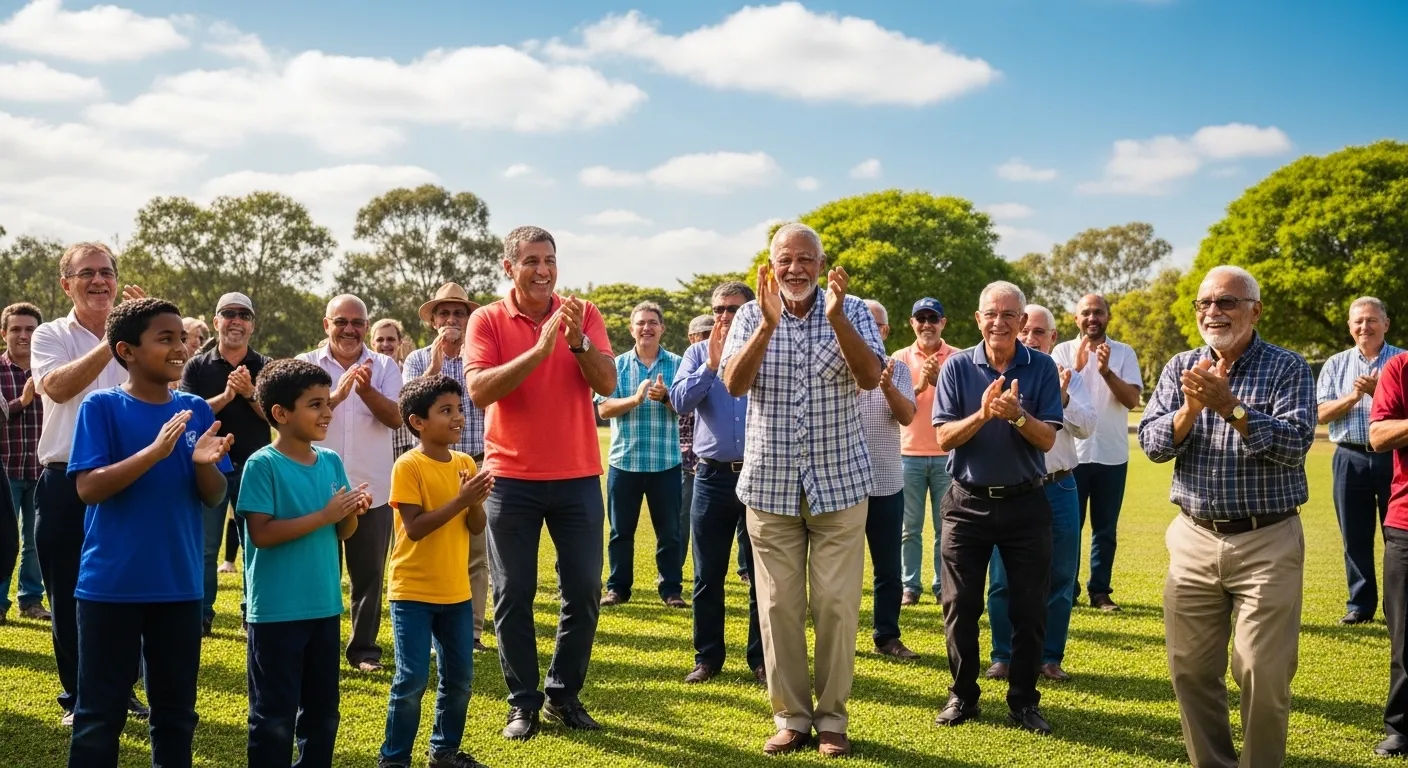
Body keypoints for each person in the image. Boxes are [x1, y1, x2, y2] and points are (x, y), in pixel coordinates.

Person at [1138, 265, 1314, 768]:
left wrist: (1231, 408)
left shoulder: (1287, 367)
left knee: (1261, 670)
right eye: (1205, 303)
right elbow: (1152, 444)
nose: (1213, 312)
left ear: (1255, 311)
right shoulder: (1181, 366)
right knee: (1190, 671)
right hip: (1193, 538)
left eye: (1226, 302)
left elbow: (1294, 444)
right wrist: (1190, 410)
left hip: (1267, 540)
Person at [720, 223, 885, 758]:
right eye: (785, 260)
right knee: (778, 608)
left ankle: (832, 718)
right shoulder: (750, 314)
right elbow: (733, 384)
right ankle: (791, 717)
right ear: (770, 266)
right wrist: (767, 326)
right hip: (770, 486)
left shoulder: (852, 309)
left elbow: (870, 377)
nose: (795, 269)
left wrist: (837, 319)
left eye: (805, 259)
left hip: (840, 484)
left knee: (836, 605)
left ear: (822, 264)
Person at [66, 297, 234, 767]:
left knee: (176, 715)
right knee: (99, 716)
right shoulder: (102, 406)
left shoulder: (196, 410)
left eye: (181, 337)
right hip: (110, 587)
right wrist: (154, 453)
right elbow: (88, 488)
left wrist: (203, 465)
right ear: (127, 351)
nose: (180, 347)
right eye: (165, 339)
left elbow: (214, 495)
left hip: (179, 588)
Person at [463, 225, 615, 740]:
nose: (543, 270)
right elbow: (480, 390)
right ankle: (522, 702)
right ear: (509, 267)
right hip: (510, 480)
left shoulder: (583, 313)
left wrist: (576, 341)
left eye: (549, 259)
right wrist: (540, 349)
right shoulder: (487, 319)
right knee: (513, 592)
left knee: (585, 589)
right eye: (531, 261)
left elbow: (607, 382)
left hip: (577, 476)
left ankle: (563, 695)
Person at [931, 281, 1062, 736]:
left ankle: (1023, 700)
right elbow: (943, 437)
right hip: (966, 503)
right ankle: (963, 695)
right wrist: (985, 414)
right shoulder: (956, 367)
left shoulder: (1042, 367)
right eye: (991, 313)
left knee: (1029, 609)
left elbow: (1047, 439)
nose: (999, 322)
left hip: (1026, 503)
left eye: (1009, 315)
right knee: (959, 604)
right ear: (978, 318)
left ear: (1023, 322)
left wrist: (1017, 416)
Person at [30, 242, 148, 724]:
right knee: (69, 593)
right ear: (66, 285)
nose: (99, 281)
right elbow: (58, 387)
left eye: (106, 272)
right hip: (66, 480)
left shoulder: (139, 334)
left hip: (129, 479)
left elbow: (168, 384)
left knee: (129, 591)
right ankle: (80, 698)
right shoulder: (49, 335)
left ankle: (123, 692)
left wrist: (146, 333)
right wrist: (116, 336)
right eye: (87, 273)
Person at [239, 358, 370, 768]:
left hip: (324, 607)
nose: (327, 412)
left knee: (322, 713)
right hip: (277, 612)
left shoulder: (330, 461)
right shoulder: (262, 464)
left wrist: (351, 511)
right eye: (315, 404)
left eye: (327, 403)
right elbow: (262, 534)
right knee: (273, 717)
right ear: (281, 413)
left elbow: (342, 531)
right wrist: (326, 515)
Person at [379, 375, 492, 768]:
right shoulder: (408, 466)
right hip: (412, 591)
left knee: (459, 679)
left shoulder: (464, 463)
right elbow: (414, 528)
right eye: (446, 410)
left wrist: (474, 501)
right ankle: (394, 759)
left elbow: (476, 526)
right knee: (411, 680)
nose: (458, 417)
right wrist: (462, 499)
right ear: (418, 422)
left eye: (459, 409)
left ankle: (444, 752)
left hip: (456, 593)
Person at [986, 304, 1093, 683]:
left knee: (1060, 575)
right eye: (1026, 330)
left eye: (1039, 332)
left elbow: (1088, 427)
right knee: (1003, 577)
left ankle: (1049, 656)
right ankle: (1003, 655)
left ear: (1053, 337)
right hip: (1013, 488)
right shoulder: (1001, 373)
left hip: (1058, 485)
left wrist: (1062, 399)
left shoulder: (1068, 377)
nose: (1031, 338)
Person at [297, 295, 404, 672]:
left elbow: (396, 418)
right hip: (315, 488)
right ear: (326, 324)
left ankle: (364, 651)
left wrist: (367, 390)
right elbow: (296, 418)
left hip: (370, 488)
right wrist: (337, 395)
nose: (349, 329)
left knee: (369, 576)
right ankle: (316, 648)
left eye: (357, 322)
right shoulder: (307, 364)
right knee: (317, 574)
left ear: (366, 327)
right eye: (341, 321)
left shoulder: (385, 366)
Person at [670, 282, 763, 685]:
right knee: (708, 574)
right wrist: (709, 365)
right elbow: (679, 402)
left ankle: (761, 659)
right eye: (718, 309)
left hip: (760, 475)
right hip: (710, 476)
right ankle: (707, 658)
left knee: (763, 576)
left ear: (750, 311)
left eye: (733, 309)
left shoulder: (766, 347)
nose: (724, 316)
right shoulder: (696, 353)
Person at [403, 284, 492, 652]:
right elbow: (407, 406)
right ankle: (430, 632)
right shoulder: (417, 359)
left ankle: (471, 633)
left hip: (476, 462)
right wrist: (436, 367)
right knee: (431, 546)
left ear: (469, 320)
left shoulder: (482, 357)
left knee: (476, 552)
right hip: (430, 464)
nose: (451, 320)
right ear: (433, 321)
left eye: (458, 313)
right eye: (444, 313)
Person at [179, 292, 269, 635]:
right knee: (205, 547)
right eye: (228, 314)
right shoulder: (196, 366)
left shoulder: (266, 365)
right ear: (216, 321)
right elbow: (187, 414)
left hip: (255, 467)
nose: (236, 321)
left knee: (255, 545)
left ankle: (252, 614)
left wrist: (249, 393)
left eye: (244, 315)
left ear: (252, 325)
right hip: (209, 467)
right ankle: (202, 615)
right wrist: (228, 396)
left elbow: (279, 417)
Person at [1050, 293, 1141, 612]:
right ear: (1076, 319)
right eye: (1086, 313)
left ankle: (1100, 592)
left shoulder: (1124, 353)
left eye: (1098, 312)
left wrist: (1106, 372)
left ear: (1108, 317)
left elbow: (1132, 400)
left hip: (1112, 453)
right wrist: (1076, 367)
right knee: (1069, 529)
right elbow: (1055, 395)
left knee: (1105, 529)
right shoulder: (1061, 351)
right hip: (1072, 455)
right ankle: (1068, 589)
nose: (1092, 318)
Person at [1317, 296, 1402, 624]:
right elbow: (1320, 413)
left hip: (1396, 457)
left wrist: (1380, 391)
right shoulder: (1335, 364)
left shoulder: (1402, 361)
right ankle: (1360, 605)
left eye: (1371, 320)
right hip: (1349, 457)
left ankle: (1398, 606)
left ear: (1386, 324)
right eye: (1358, 321)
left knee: (1398, 536)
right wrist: (1353, 396)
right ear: (1350, 327)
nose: (1364, 326)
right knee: (1354, 535)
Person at [598, 301, 685, 608]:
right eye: (641, 323)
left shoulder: (678, 364)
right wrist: (634, 399)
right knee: (620, 532)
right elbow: (604, 408)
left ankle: (671, 590)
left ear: (662, 328)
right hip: (625, 463)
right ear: (631, 329)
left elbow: (687, 407)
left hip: (666, 463)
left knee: (670, 533)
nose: (646, 327)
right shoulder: (616, 365)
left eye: (652, 322)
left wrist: (666, 398)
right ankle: (618, 589)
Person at [857, 299, 919, 659]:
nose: (868, 330)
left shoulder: (899, 370)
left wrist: (886, 386)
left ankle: (887, 636)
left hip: (886, 482)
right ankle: (839, 636)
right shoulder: (837, 366)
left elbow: (907, 416)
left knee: (888, 569)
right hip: (844, 484)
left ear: (885, 331)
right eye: (860, 323)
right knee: (839, 570)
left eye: (875, 325)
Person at [892, 297, 958, 605]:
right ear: (912, 323)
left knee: (946, 528)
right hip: (908, 456)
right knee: (910, 528)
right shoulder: (899, 358)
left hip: (947, 455)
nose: (927, 324)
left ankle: (942, 586)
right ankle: (910, 586)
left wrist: (939, 379)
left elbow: (965, 402)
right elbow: (893, 405)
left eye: (933, 318)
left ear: (943, 323)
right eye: (921, 318)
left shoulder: (958, 358)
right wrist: (920, 385)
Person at [0, 302, 49, 622]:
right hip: (4, 469)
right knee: (3, 538)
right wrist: (23, 401)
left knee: (35, 540)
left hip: (41, 469)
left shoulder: (50, 368)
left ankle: (31, 600)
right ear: (3, 333)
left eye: (30, 329)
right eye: (16, 329)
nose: (23, 335)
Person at [1371, 346, 1408, 757]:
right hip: (1406, 521)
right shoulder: (1400, 367)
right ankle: (1401, 727)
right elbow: (1378, 436)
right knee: (1404, 635)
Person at [676, 314, 713, 578]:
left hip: (714, 460)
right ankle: (674, 570)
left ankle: (745, 569)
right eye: (705, 334)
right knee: (681, 518)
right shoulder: (686, 366)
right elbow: (679, 405)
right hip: (685, 458)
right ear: (692, 338)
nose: (711, 339)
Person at [372, 318, 418, 460]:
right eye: (380, 340)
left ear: (399, 342)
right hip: (377, 447)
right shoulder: (367, 374)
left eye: (391, 339)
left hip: (408, 445)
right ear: (372, 344)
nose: (385, 344)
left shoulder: (410, 370)